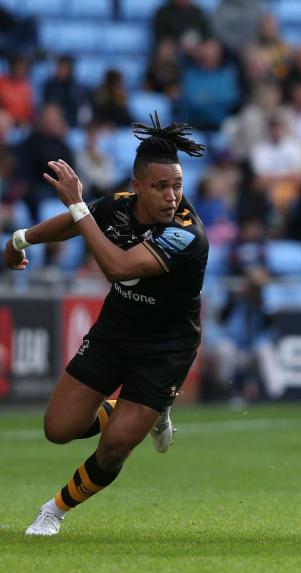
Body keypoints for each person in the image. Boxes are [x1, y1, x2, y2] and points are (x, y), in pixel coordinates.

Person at [4, 113, 207, 536]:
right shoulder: (118, 206)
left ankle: (53, 511)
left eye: (177, 186)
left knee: (115, 446)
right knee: (58, 429)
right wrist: (21, 238)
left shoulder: (186, 235)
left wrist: (78, 205)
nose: (172, 196)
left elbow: (115, 267)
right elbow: (78, 224)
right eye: (160, 186)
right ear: (137, 187)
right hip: (116, 330)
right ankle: (138, 412)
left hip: (166, 346)